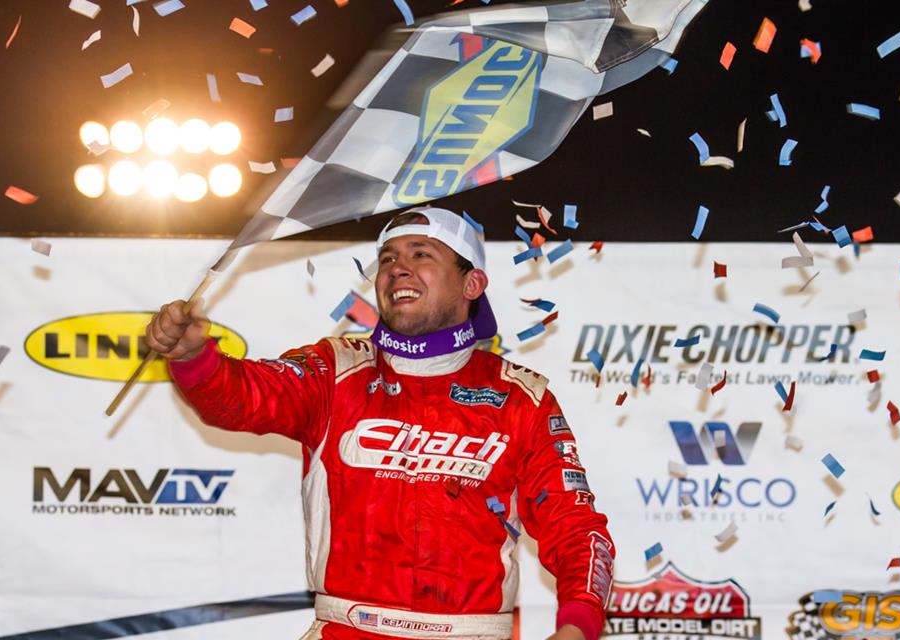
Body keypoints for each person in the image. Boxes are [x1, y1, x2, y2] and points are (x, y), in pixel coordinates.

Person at [144, 207, 615, 640]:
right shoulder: (334, 371)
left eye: (421, 254)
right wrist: (194, 357)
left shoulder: (520, 397)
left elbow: (578, 532)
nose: (397, 268)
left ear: (471, 284)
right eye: (387, 258)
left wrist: (576, 629)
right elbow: (240, 398)